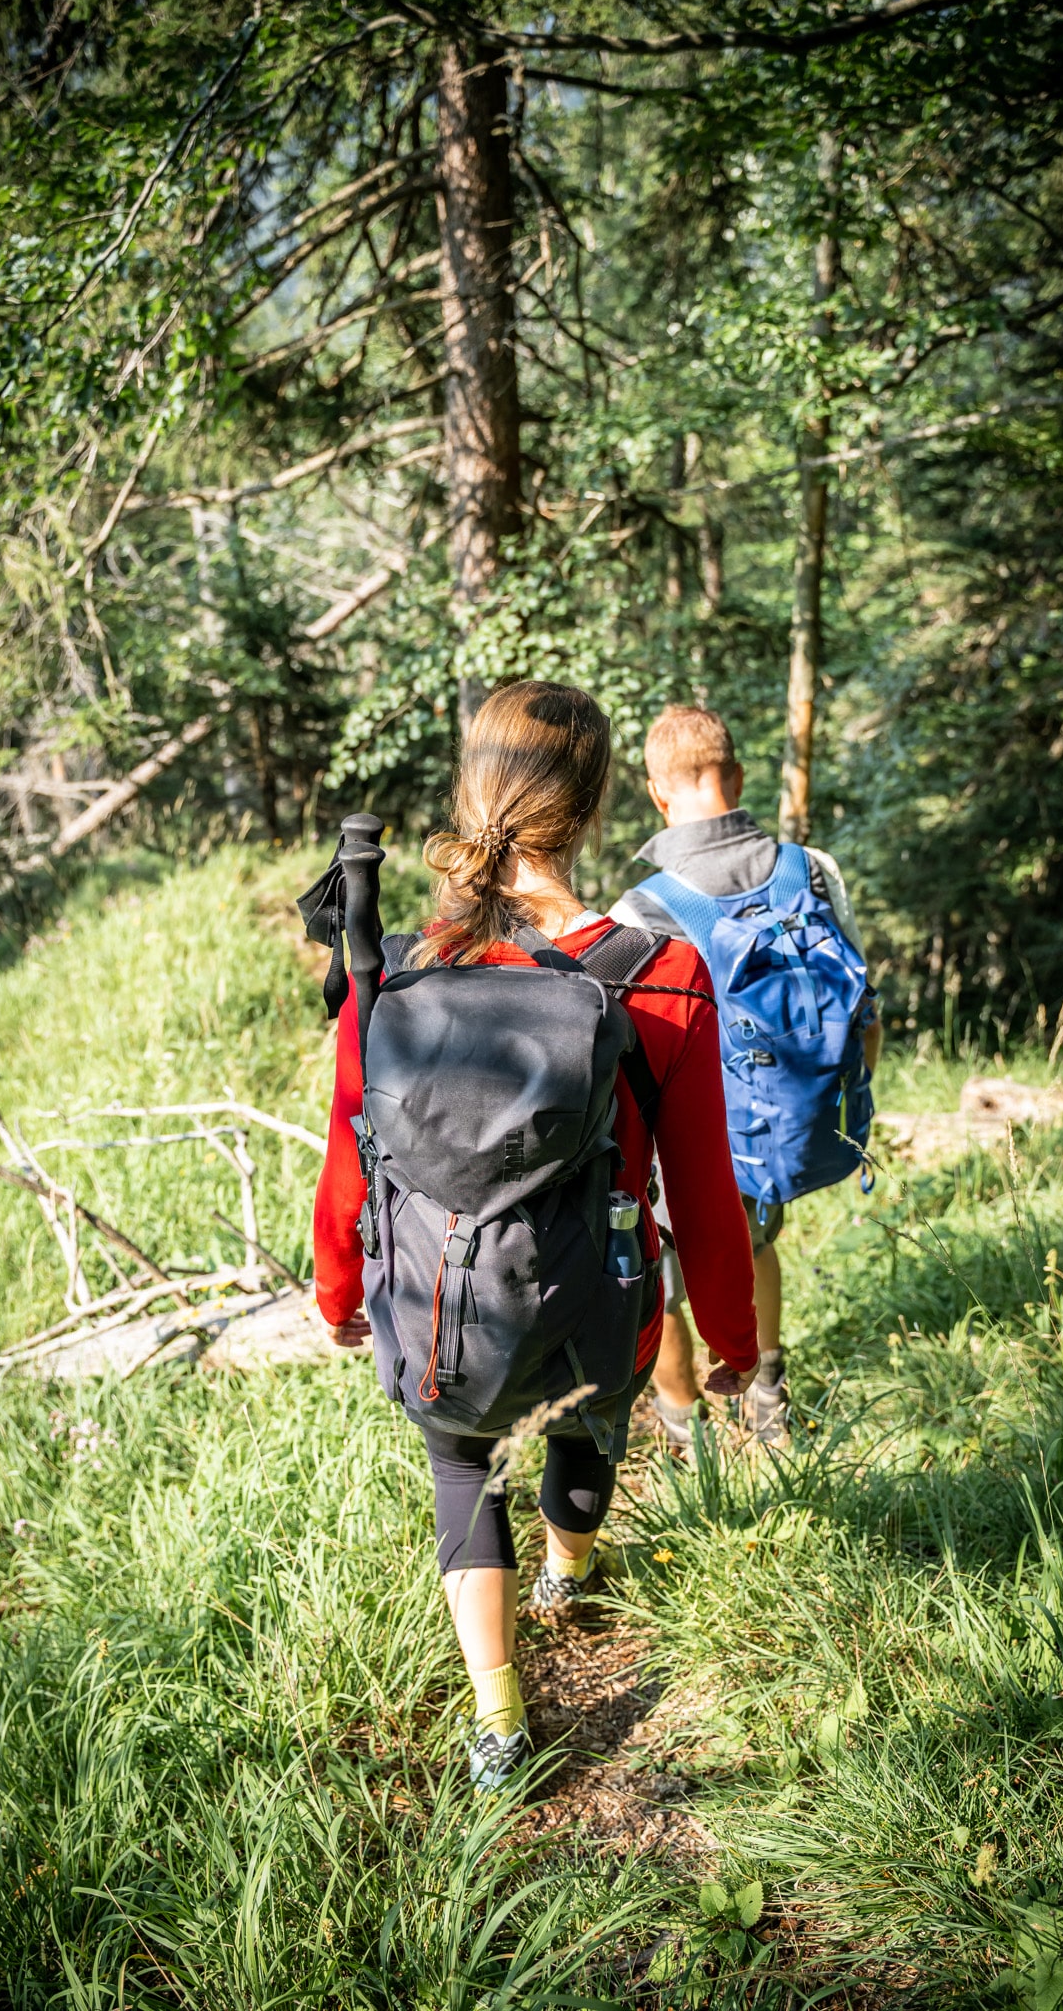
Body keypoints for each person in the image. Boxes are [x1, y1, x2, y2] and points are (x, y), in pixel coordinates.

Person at [313, 682, 759, 1790]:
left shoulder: (396, 968)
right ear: (598, 803)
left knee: (461, 1463)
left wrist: (337, 1293)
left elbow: (348, 1157)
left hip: (440, 1310)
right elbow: (705, 1194)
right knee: (583, 1425)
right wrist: (738, 1344)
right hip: (601, 1313)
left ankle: (501, 1722)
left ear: (474, 793)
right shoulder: (659, 973)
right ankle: (569, 1568)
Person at [609, 703, 881, 1447]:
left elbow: (624, 1059)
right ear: (735, 775)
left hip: (684, 1143)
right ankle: (766, 1392)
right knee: (757, 1245)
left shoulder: (640, 911)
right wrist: (841, 1113)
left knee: (661, 1285)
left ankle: (680, 1425)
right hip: (782, 1129)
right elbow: (865, 1010)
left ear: (656, 792)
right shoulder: (811, 870)